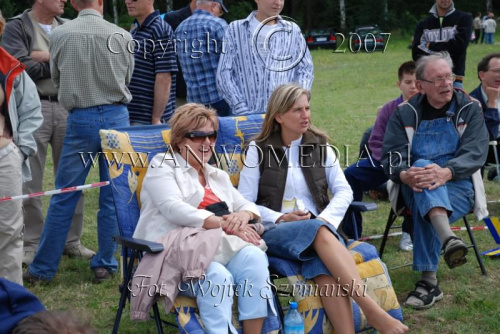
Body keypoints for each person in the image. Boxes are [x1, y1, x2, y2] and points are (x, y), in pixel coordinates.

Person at [238, 84, 408, 334]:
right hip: (275, 230)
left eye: (307, 108)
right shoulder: (258, 150)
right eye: (297, 110)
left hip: (321, 231)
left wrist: (324, 220)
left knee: (324, 268)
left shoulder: (320, 145)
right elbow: (244, 203)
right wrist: (282, 217)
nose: (305, 115)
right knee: (317, 232)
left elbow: (344, 190)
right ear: (279, 116)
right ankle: (371, 310)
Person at [132, 104, 273, 334]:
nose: (206, 142)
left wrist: (243, 215)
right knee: (217, 275)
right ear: (179, 140)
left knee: (254, 258)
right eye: (197, 136)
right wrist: (222, 222)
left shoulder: (216, 175)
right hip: (177, 254)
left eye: (211, 135)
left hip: (219, 248)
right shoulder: (163, 165)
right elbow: (173, 209)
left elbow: (245, 205)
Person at [23, 0, 134, 283]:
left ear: (74, 3)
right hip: (117, 118)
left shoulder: (60, 34)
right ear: (102, 2)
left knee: (65, 194)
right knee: (113, 195)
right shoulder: (122, 35)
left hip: (80, 117)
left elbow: (57, 77)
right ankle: (104, 263)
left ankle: (42, 268)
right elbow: (127, 76)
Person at [381, 52, 489, 309]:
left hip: (459, 186)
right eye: (438, 79)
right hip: (413, 184)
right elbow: (391, 156)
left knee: (425, 204)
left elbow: (475, 152)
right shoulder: (404, 113)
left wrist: (447, 172)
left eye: (449, 77)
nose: (447, 84)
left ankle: (429, 282)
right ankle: (448, 240)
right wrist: (405, 174)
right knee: (420, 171)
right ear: (420, 86)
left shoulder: (469, 108)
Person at [1, 0, 94, 265]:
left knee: (74, 177)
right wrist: (60, 59)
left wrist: (42, 55)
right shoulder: (17, 26)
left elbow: (83, 64)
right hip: (33, 108)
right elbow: (21, 68)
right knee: (30, 178)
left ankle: (72, 241)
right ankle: (31, 243)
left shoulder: (69, 26)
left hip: (68, 106)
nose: (65, 0)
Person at [344, 61, 418, 251]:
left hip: (415, 163)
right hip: (385, 161)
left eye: (417, 82)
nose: (413, 86)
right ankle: (352, 234)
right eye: (408, 82)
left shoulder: (428, 108)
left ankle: (409, 232)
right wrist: (389, 163)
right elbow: (375, 141)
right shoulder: (388, 109)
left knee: (414, 180)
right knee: (350, 174)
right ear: (399, 84)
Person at [0, 10, 43, 285]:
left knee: (9, 231)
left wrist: (19, 151)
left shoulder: (9, 66)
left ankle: (10, 300)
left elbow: (31, 110)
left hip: (4, 157)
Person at [217, 0, 313, 115]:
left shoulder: (293, 30)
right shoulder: (235, 29)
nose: (278, 3)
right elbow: (224, 73)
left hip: (284, 115)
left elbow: (306, 69)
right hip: (247, 117)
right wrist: (239, 106)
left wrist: (295, 101)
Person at [175, 0, 232, 116]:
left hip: (193, 101)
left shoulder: (180, 28)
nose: (219, 15)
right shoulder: (218, 25)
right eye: (220, 11)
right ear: (213, 6)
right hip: (219, 98)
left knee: (201, 133)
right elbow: (234, 61)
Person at [125, 0, 177, 125]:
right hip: (134, 117)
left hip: (148, 121)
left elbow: (164, 78)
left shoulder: (160, 29)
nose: (128, 1)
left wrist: (156, 118)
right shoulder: (136, 30)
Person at [412, 0, 472, 89]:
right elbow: (416, 54)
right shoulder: (423, 24)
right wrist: (449, 46)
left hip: (454, 79)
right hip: (429, 81)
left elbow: (460, 46)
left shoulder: (464, 18)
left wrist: (431, 46)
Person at [470, 53, 500, 180]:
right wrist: (492, 103)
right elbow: (488, 135)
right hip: (484, 149)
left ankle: (495, 174)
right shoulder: (471, 101)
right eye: (497, 71)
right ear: (482, 75)